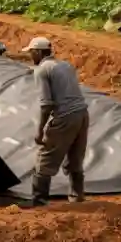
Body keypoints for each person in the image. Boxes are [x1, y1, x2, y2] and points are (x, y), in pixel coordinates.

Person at [23, 37, 88, 206]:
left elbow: (46, 105)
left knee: (45, 158)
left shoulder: (41, 71)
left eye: (31, 52)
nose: (30, 55)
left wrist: (40, 131)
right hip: (82, 114)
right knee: (75, 157)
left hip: (65, 116)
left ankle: (40, 201)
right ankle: (77, 197)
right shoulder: (65, 65)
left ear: (38, 52)